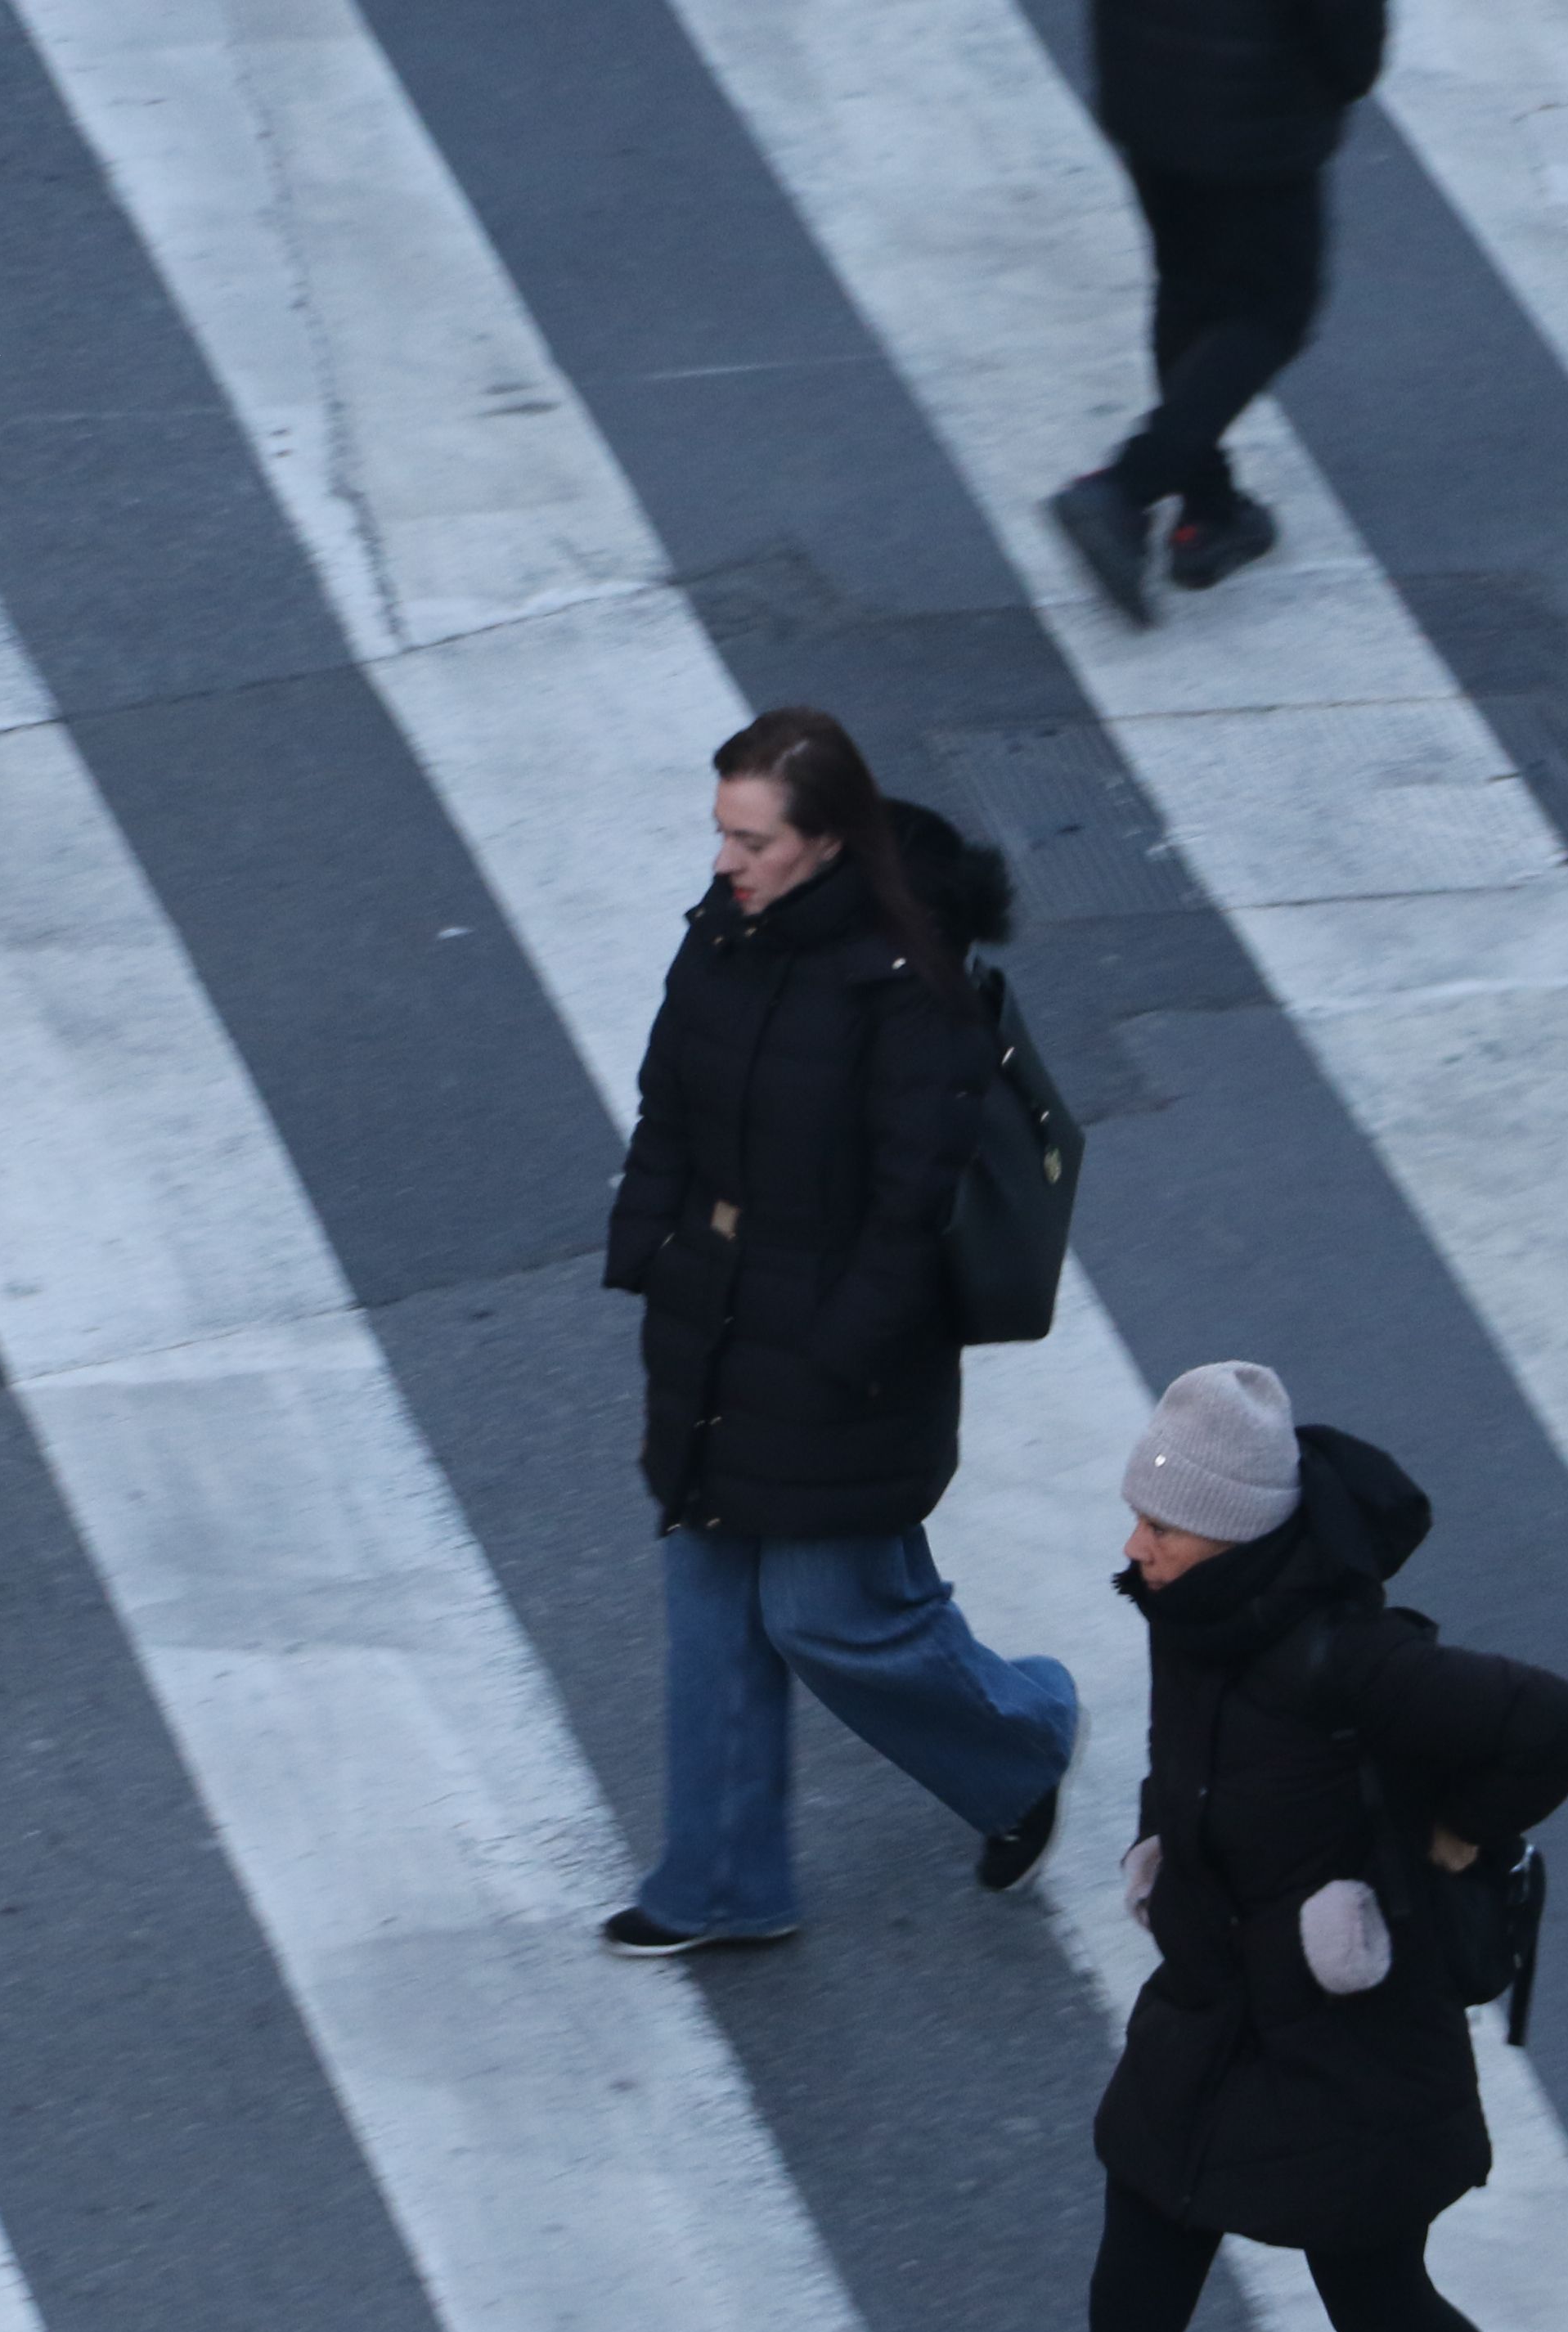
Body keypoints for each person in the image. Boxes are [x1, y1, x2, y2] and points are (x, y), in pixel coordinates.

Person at [938, 1365, 1568, 2332]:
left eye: (1161, 1529)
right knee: (1132, 2308)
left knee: (1374, 2302)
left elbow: (1556, 1721)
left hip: (1343, 2050)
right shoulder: (1191, 1621)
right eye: (1138, 1520)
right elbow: (1188, 1768)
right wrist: (1162, 1854)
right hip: (1209, 2018)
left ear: (1233, 1535)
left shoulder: (1352, 1658)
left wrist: (1450, 1842)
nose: (1134, 1547)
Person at [599, 707, 1083, 1956]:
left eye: (749, 839)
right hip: (713, 1310)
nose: (723, 861)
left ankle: (1023, 1743)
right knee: (713, 1610)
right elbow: (668, 1102)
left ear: (825, 843)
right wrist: (650, 1241)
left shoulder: (909, 987)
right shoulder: (723, 936)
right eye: (723, 833)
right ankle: (718, 1886)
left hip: (838, 1344)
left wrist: (840, 1352)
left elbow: (910, 1207)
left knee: (827, 1613)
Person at [1046, 0, 1388, 624]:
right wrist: (1336, 85)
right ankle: (1127, 487)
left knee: (1188, 288)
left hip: (1146, 91)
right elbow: (1350, 40)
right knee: (1273, 313)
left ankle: (1209, 511)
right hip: (1258, 118)